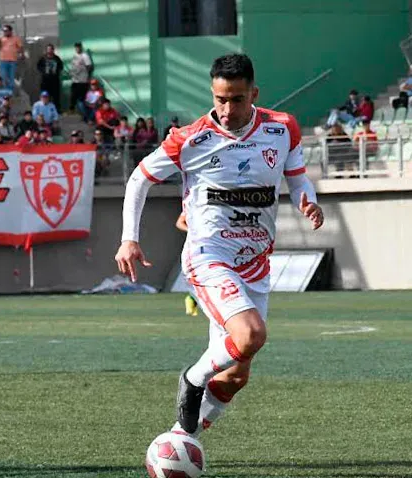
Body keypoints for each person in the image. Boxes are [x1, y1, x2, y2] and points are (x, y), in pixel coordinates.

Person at [114, 54, 324, 439]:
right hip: (209, 257)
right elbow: (139, 180)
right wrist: (130, 238)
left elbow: (297, 180)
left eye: (237, 99)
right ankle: (192, 378)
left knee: (234, 376)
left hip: (256, 264)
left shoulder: (283, 128)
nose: (226, 110)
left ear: (254, 94)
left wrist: (306, 199)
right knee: (251, 335)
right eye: (220, 99)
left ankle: (182, 437)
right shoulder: (190, 139)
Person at [174, 211, 198, 317]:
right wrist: (192, 231)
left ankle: (192, 298)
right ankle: (192, 298)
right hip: (199, 247)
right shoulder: (193, 201)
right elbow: (179, 222)